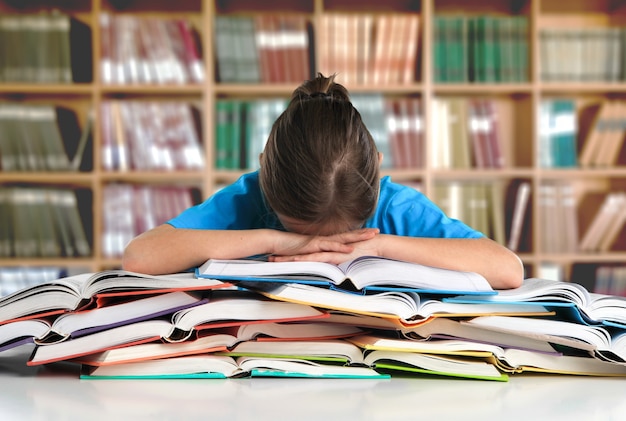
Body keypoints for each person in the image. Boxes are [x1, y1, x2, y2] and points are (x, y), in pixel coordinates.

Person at [123, 73, 523, 289]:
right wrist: (276, 240)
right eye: (300, 231)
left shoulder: (394, 206)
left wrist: (379, 246)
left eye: (348, 235)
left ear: (378, 175)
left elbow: (507, 269)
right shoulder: (248, 198)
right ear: (265, 174)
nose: (324, 249)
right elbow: (141, 256)